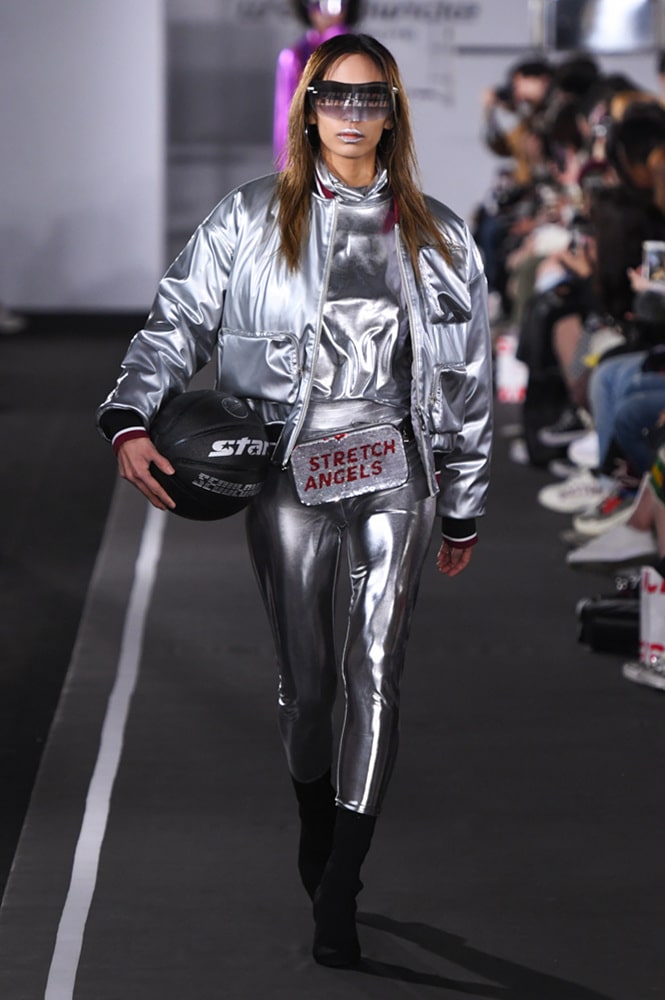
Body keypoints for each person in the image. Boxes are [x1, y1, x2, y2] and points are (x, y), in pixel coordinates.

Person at [97, 33, 493, 968]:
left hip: (395, 467)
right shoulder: (248, 218)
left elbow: (466, 378)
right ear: (308, 108)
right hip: (287, 472)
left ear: (392, 113)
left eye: (371, 97)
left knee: (376, 670)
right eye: (336, 96)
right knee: (307, 686)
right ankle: (318, 826)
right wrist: (128, 415)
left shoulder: (439, 236)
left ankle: (342, 882)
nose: (353, 114)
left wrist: (464, 499)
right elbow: (177, 319)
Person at [273, 0, 363, 167]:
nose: (325, 11)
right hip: (310, 159)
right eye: (316, 3)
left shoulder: (365, 55)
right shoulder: (295, 57)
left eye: (334, 3)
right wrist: (289, 172)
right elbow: (286, 124)